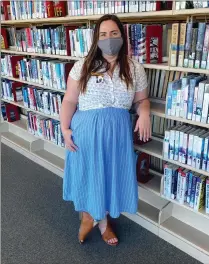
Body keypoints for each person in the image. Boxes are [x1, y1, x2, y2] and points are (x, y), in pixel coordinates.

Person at [60, 14, 151, 246]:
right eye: (102, 35)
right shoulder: (83, 66)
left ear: (122, 36)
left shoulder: (134, 68)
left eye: (113, 34)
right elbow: (69, 101)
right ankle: (88, 218)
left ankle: (103, 222)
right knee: (90, 175)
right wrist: (64, 128)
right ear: (95, 38)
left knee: (109, 177)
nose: (108, 39)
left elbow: (142, 100)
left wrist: (144, 113)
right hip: (87, 132)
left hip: (117, 134)